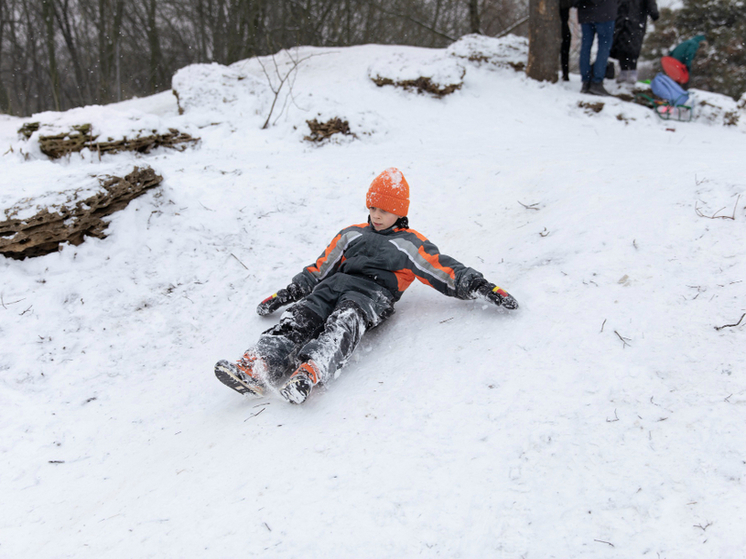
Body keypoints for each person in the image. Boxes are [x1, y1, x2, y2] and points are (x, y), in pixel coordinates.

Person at [214, 168, 519, 405]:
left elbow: (444, 269)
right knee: (299, 318)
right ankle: (256, 364)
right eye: (372, 207)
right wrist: (287, 294)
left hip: (369, 296)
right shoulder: (351, 234)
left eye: (384, 210)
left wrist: (483, 287)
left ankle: (310, 372)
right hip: (331, 286)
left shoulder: (409, 244)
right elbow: (320, 268)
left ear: (400, 211)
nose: (375, 215)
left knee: (344, 323)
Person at [610, 0, 660, 84]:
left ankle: (630, 72)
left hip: (632, 21)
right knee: (623, 48)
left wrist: (654, 12)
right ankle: (625, 71)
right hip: (627, 21)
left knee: (631, 48)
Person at [577, 0, 618, 96]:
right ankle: (597, 82)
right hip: (605, 11)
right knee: (604, 46)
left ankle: (586, 82)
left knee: (585, 46)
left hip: (585, 11)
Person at [560, 0, 574, 82]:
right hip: (562, 19)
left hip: (562, 19)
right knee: (565, 42)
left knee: (565, 41)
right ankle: (565, 73)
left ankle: (565, 73)